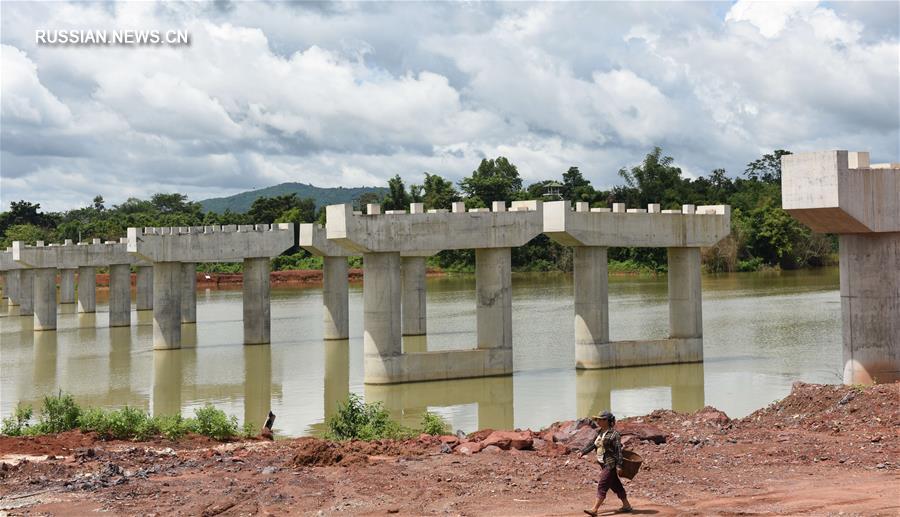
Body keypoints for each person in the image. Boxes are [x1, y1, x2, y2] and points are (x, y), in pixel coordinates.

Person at [578, 411, 632, 515]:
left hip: (610, 463)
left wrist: (619, 465)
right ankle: (626, 505)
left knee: (602, 485)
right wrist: (583, 452)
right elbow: (593, 445)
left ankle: (594, 509)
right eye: (597, 419)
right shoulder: (600, 432)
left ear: (606, 421)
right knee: (615, 485)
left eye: (600, 419)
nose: (597, 421)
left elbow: (618, 451)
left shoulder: (614, 434)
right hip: (602, 463)